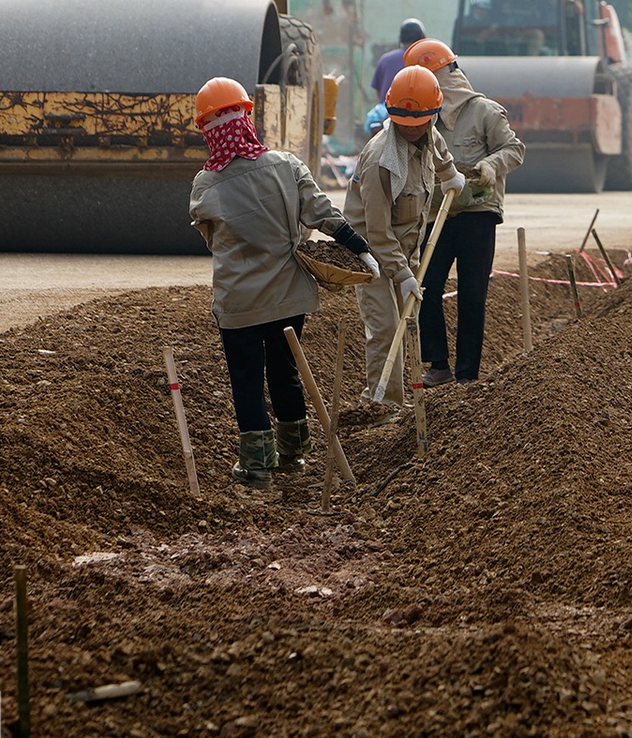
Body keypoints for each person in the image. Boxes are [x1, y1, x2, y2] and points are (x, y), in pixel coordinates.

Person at [187, 77, 376, 497]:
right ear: (248, 118)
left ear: (207, 129)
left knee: (246, 377)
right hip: (289, 296)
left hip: (240, 304)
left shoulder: (206, 184)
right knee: (286, 369)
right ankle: (295, 451)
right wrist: (358, 247)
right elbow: (322, 213)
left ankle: (257, 467)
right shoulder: (287, 165)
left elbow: (210, 238)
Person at [343, 65, 464, 422]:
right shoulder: (382, 160)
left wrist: (450, 175)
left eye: (420, 122)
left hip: (404, 249)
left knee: (406, 323)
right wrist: (401, 273)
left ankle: (396, 399)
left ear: (432, 116)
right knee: (385, 328)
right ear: (392, 113)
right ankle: (383, 409)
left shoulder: (427, 135)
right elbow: (377, 233)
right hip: (372, 255)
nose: (411, 128)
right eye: (404, 122)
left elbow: (439, 151)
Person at [403, 39, 525, 386]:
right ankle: (438, 365)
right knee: (426, 286)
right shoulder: (425, 118)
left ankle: (468, 375)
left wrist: (490, 164)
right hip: (436, 214)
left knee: (473, 294)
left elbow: (514, 149)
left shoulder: (484, 111)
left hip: (478, 213)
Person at [370, 19, 427, 102]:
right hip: (419, 112)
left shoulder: (385, 59)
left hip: (388, 111)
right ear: (422, 38)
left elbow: (379, 92)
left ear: (401, 38)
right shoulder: (427, 60)